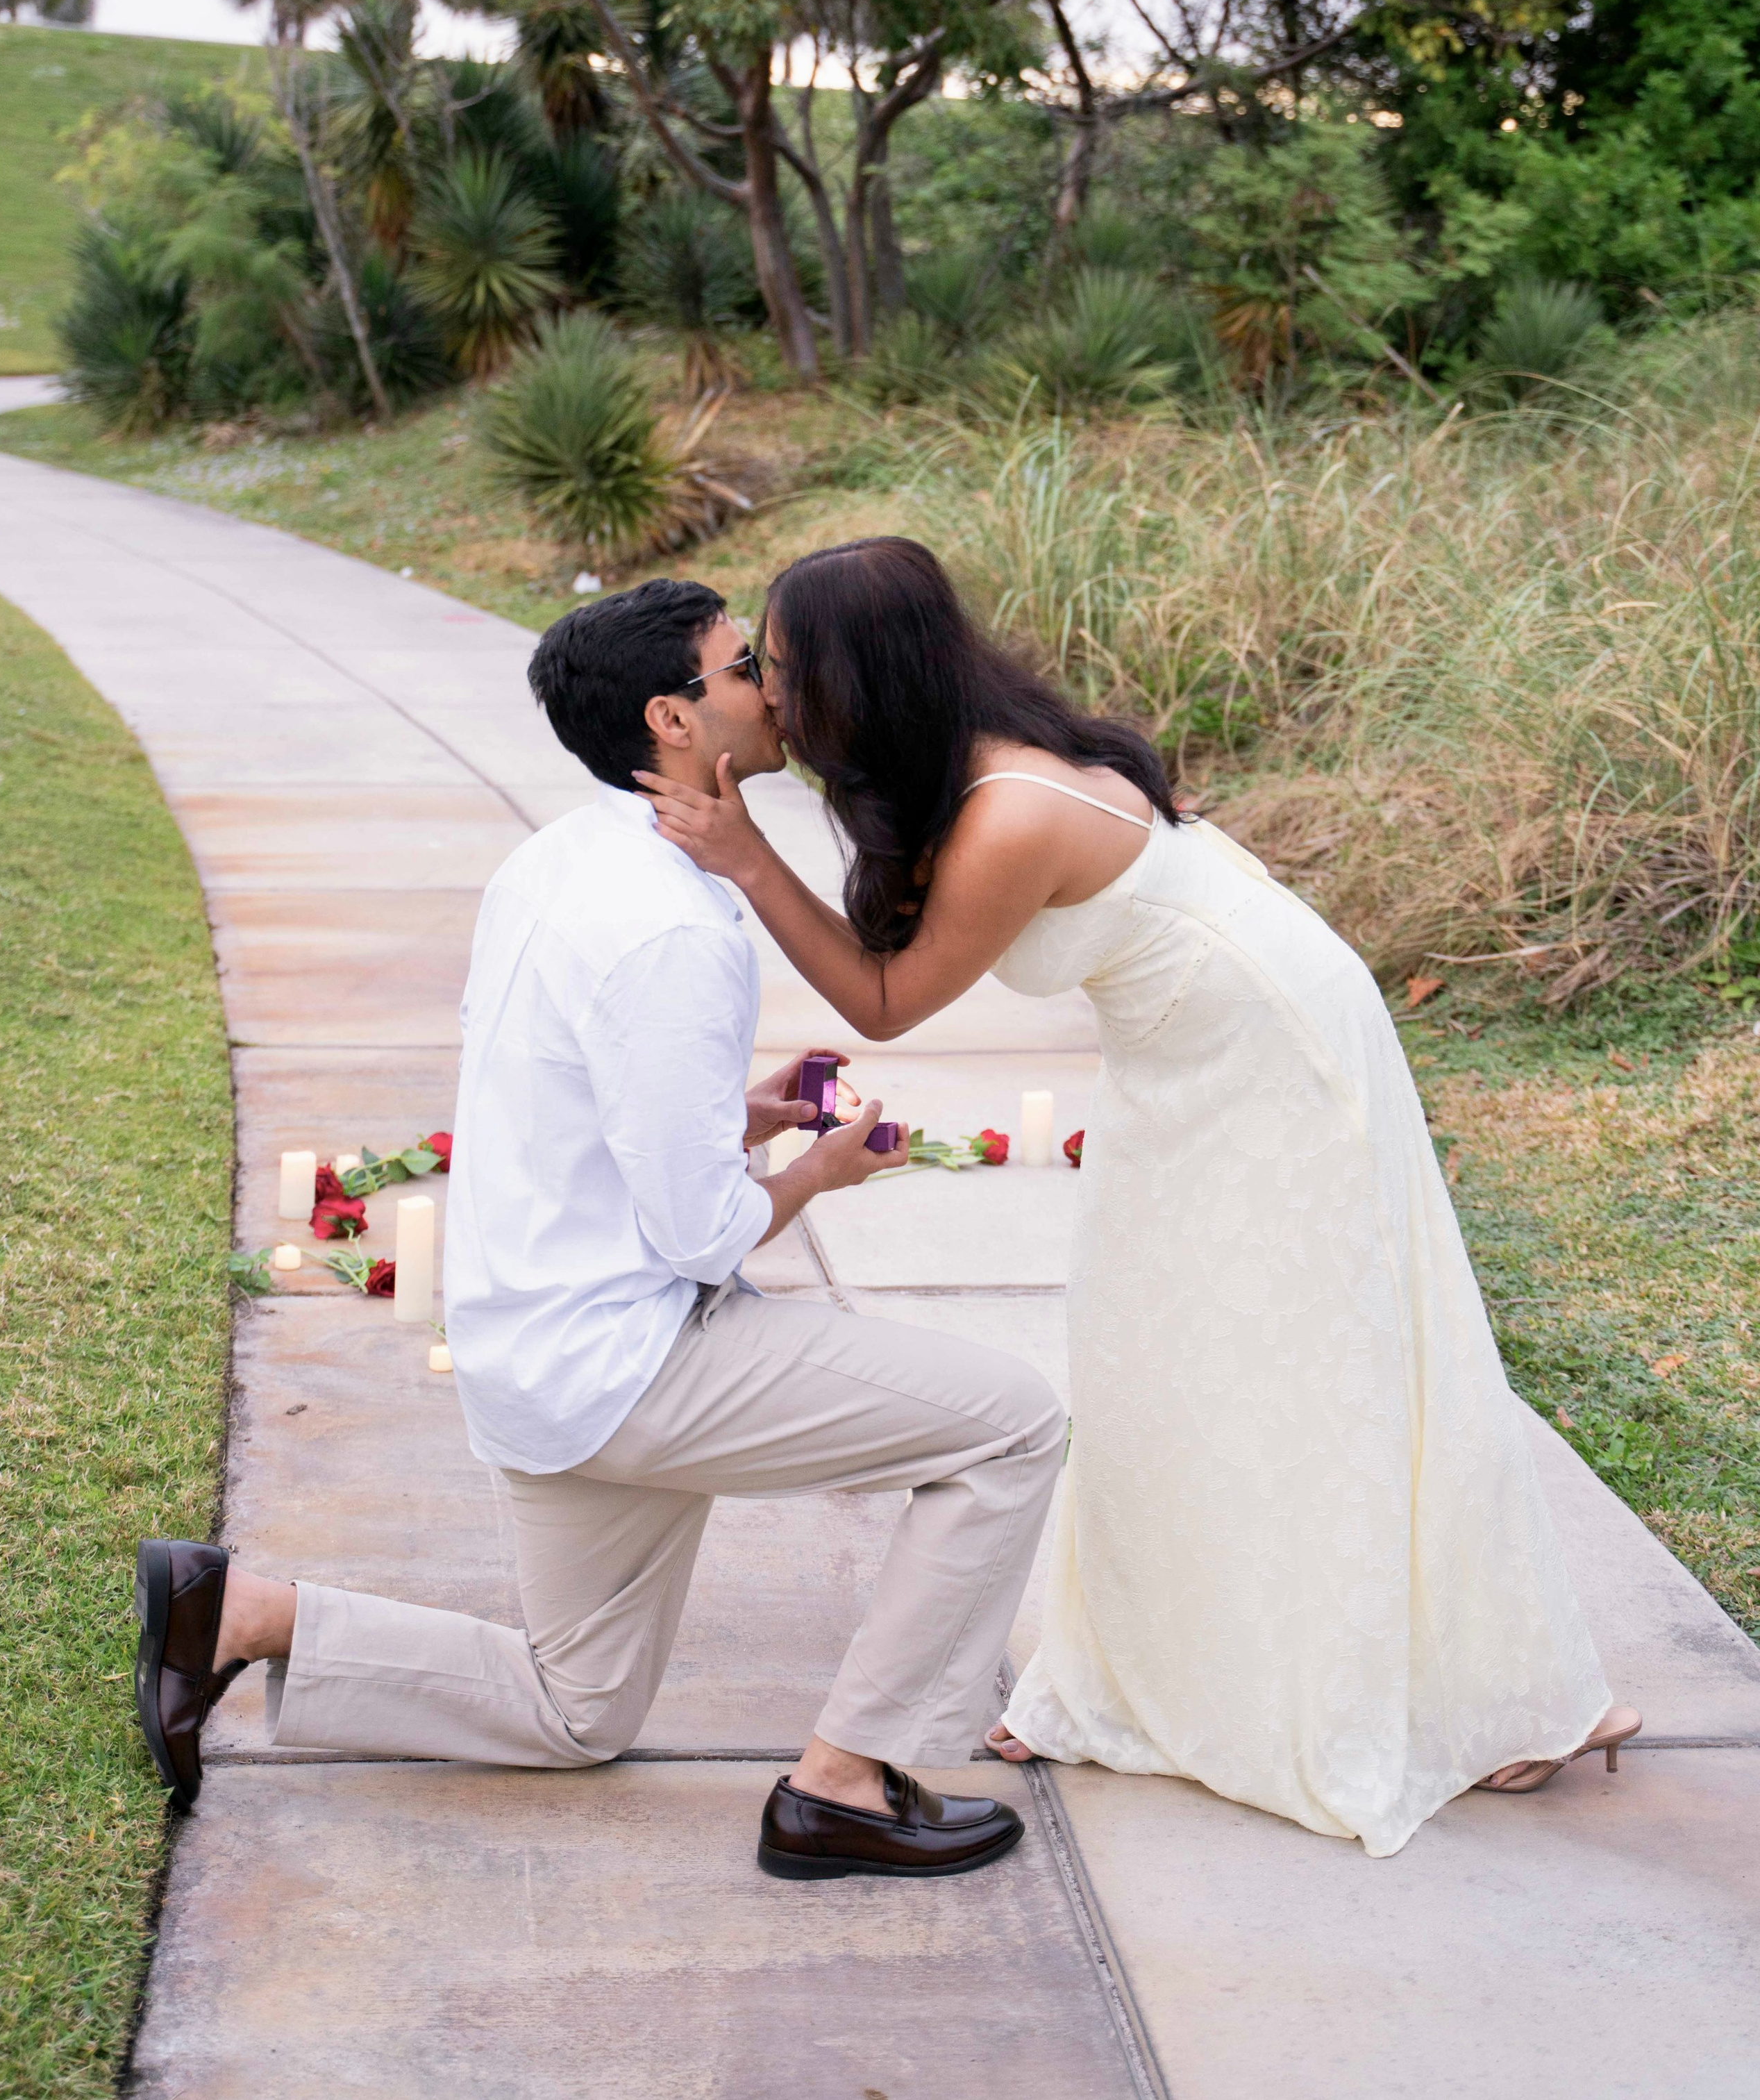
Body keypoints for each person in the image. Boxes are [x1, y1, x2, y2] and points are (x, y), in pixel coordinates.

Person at [636, 538, 1641, 1858]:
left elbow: (887, 1001)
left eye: (783, 659)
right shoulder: (959, 767)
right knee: (1157, 1352)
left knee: (1314, 1359)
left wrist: (748, 857)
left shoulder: (1011, 806)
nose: (768, 687)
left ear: (861, 676)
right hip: (1187, 1061)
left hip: (1280, 1059)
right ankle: (1138, 1680)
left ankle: (1498, 1693)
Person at [135, 577, 1065, 1882]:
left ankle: (239, 1611)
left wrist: (734, 1114)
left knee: (579, 1714)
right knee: (1015, 1420)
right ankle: (844, 1784)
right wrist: (821, 1175)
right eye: (748, 667)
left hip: (533, 1357)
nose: (776, 688)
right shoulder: (675, 930)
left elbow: (574, 1111)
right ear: (674, 719)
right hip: (637, 1362)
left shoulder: (561, 857)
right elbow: (700, 1236)